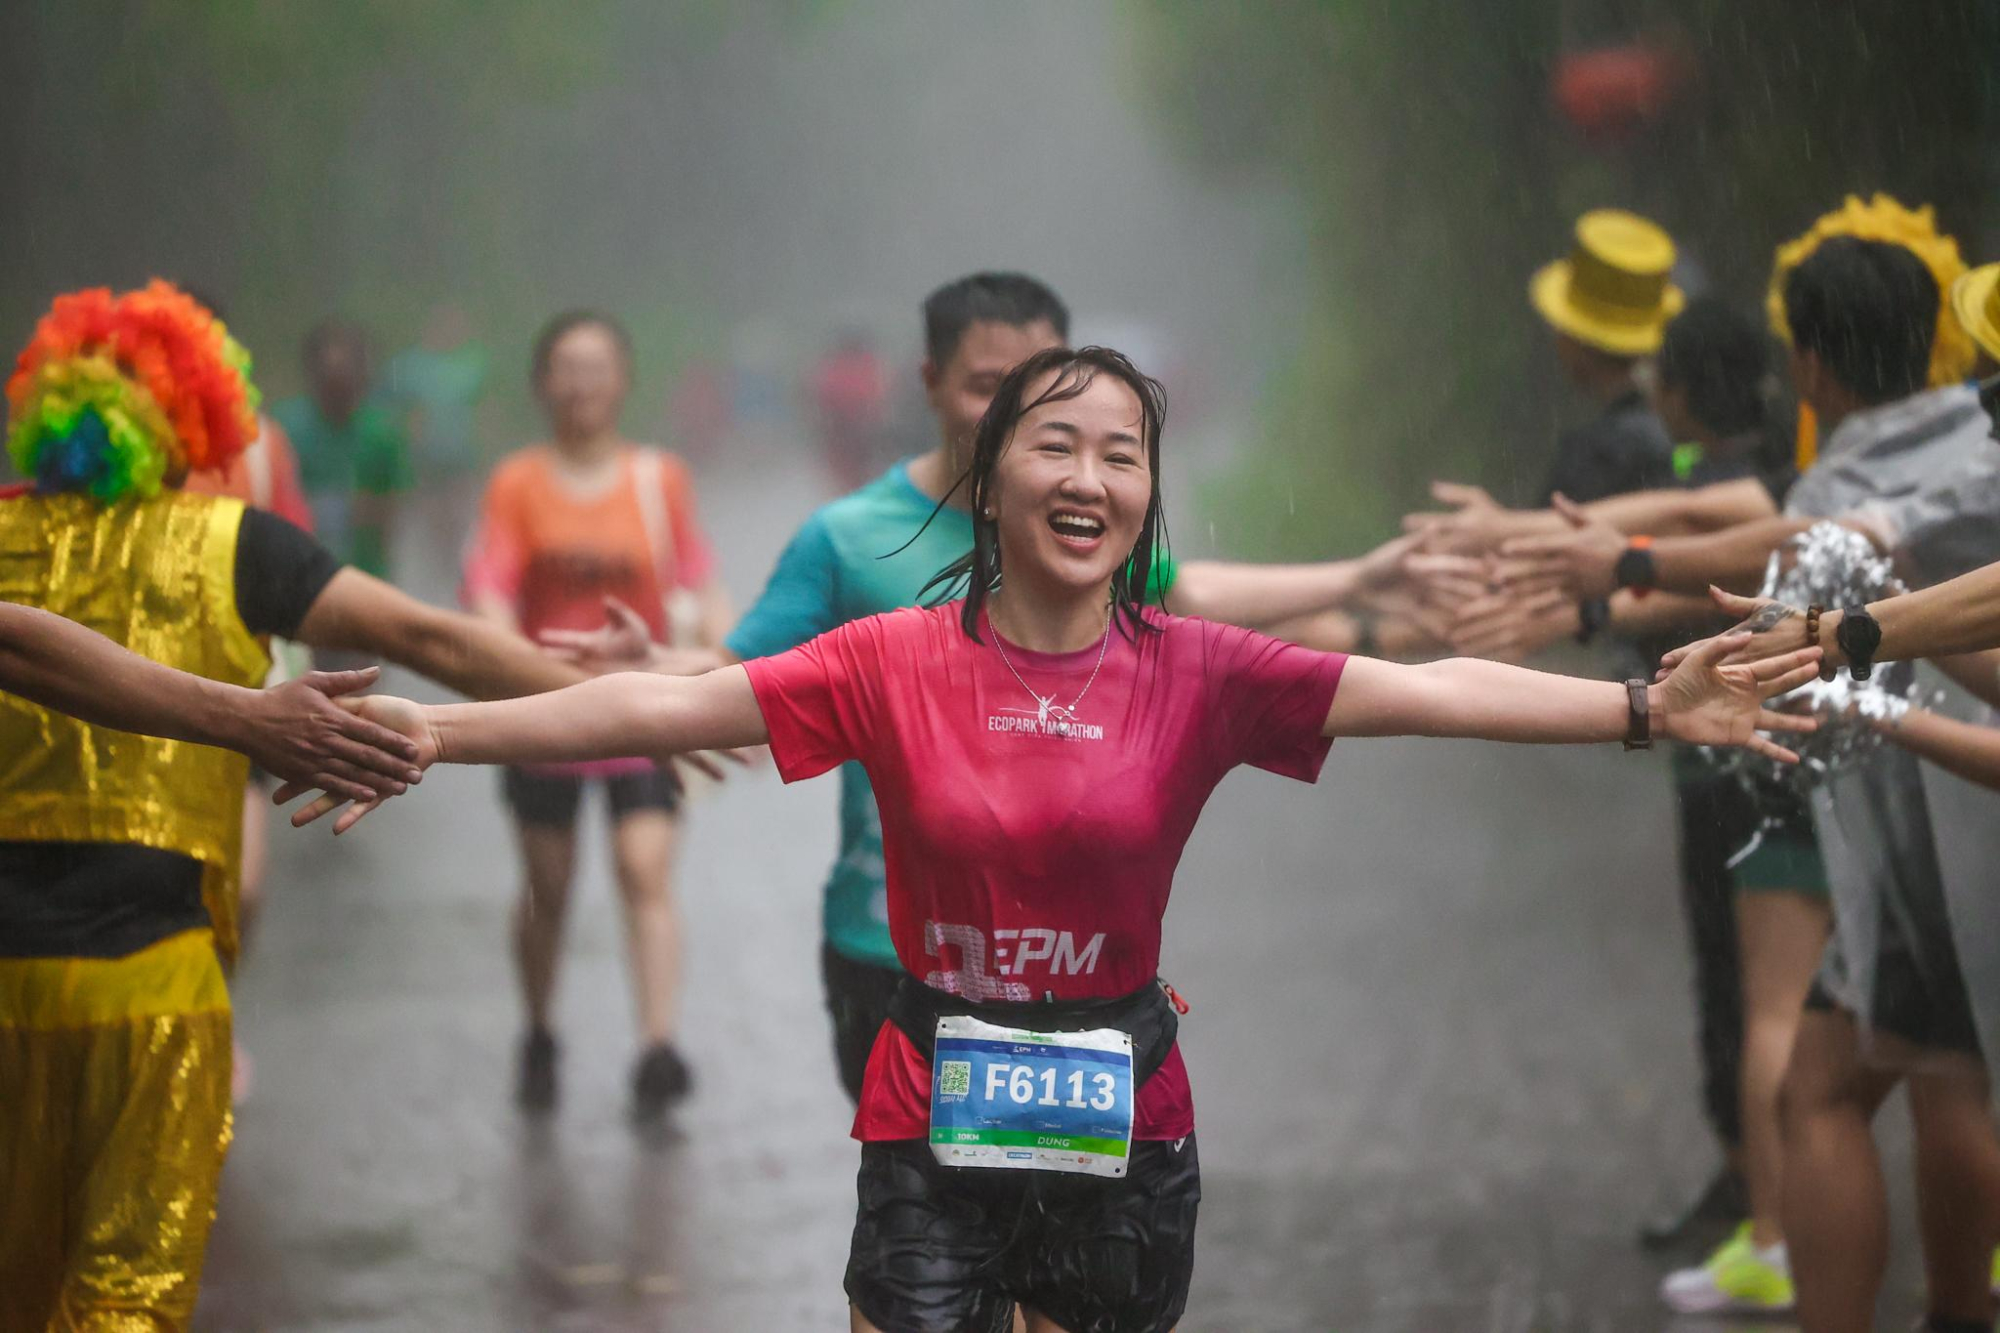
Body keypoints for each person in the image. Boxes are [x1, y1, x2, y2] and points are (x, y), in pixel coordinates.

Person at [303, 346, 1821, 1333]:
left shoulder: (1195, 665)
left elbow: (1425, 689)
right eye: (1054, 446)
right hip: (925, 1106)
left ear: (1147, 495)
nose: (1087, 478)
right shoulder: (889, 656)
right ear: (992, 477)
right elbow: (663, 704)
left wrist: (1638, 708)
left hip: (1126, 1112)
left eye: (1122, 455)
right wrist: (438, 732)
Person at [0, 281, 702, 1332]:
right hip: (152, 979)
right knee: (128, 1294)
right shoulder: (229, 542)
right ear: (197, 411)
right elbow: (443, 643)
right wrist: (645, 705)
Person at [625, 272, 1421, 1110]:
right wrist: (634, 674)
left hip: (1063, 963)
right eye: (985, 386)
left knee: (1065, 1214)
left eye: (1040, 380)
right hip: (885, 947)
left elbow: (1193, 612)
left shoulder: (1077, 533)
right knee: (916, 1205)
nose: (1017, 404)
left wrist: (1370, 601)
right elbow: (729, 674)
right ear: (929, 383)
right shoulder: (847, 538)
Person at [462, 310, 731, 1118]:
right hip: (545, 708)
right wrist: (498, 656)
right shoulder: (517, 482)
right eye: (566, 368)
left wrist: (724, 657)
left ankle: (657, 1044)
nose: (581, 383)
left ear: (623, 379)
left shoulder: (659, 478)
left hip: (643, 709)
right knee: (548, 884)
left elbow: (698, 577)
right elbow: (488, 586)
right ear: (542, 382)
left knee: (644, 867)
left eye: (598, 366)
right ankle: (540, 1028)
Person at [272, 318, 414, 580]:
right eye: (330, 379)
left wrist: (354, 510)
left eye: (346, 377)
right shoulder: (284, 429)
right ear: (313, 374)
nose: (338, 388)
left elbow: (395, 509)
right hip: (299, 579)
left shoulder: (382, 434)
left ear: (362, 375)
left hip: (367, 575)